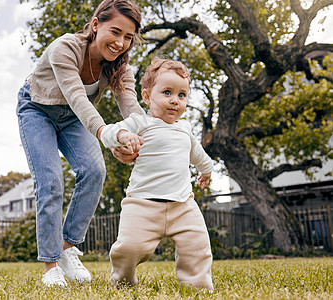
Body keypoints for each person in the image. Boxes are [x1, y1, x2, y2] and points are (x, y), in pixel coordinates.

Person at [16, 0, 145, 287]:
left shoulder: (120, 68)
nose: (120, 43)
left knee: (95, 170)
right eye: (115, 31)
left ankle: (66, 249)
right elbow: (76, 98)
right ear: (96, 25)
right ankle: (51, 266)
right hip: (37, 108)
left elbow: (131, 109)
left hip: (74, 118)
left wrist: (142, 140)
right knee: (50, 182)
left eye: (128, 37)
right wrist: (110, 136)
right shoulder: (65, 48)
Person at [99, 58, 214, 290]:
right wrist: (122, 135)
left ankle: (197, 286)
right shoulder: (140, 122)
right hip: (142, 204)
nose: (175, 100)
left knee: (197, 245)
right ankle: (123, 282)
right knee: (129, 248)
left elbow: (198, 154)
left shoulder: (185, 129)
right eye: (167, 92)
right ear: (147, 97)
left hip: (183, 205)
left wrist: (207, 170)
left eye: (182, 95)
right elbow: (108, 132)